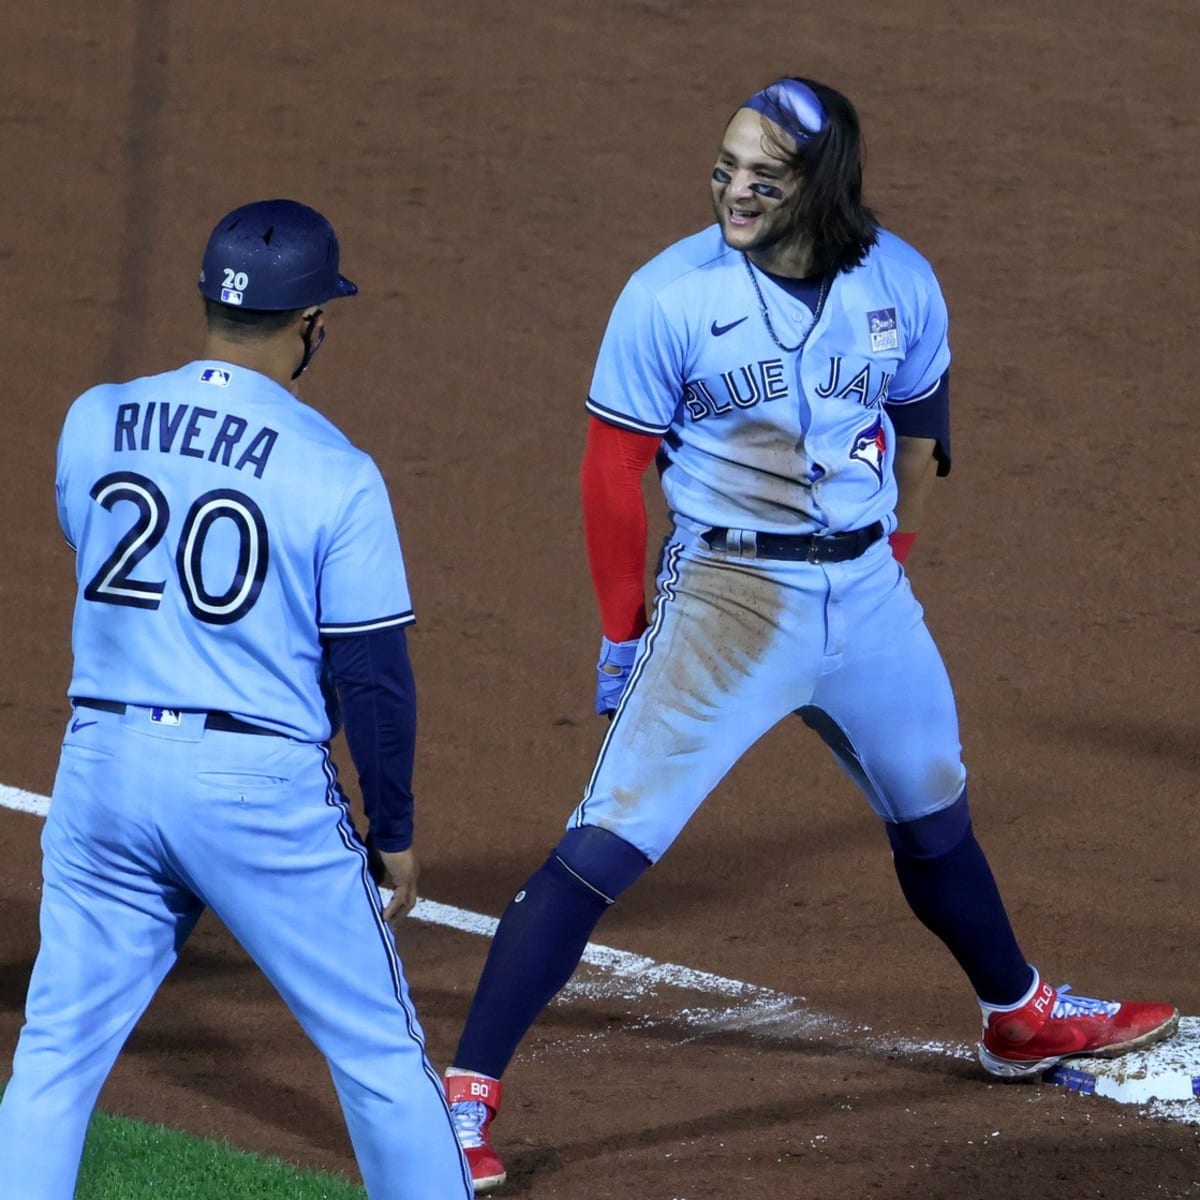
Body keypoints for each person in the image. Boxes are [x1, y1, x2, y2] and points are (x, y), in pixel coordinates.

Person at [441, 79, 1179, 1192]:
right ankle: (457, 1102)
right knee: (602, 850)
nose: (734, 189)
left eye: (763, 176)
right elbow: (611, 472)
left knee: (934, 814)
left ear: (819, 187)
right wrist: (620, 634)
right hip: (726, 599)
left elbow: (926, 436)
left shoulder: (901, 282)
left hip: (865, 596)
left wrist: (895, 572)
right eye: (726, 166)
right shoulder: (670, 295)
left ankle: (1015, 1016)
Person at [0, 199, 472, 1199]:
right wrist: (394, 825)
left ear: (209, 302)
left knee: (53, 1059)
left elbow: (93, 546)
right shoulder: (337, 473)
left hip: (104, 772)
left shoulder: (96, 419)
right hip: (257, 789)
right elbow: (373, 677)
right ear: (310, 327)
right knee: (381, 1059)